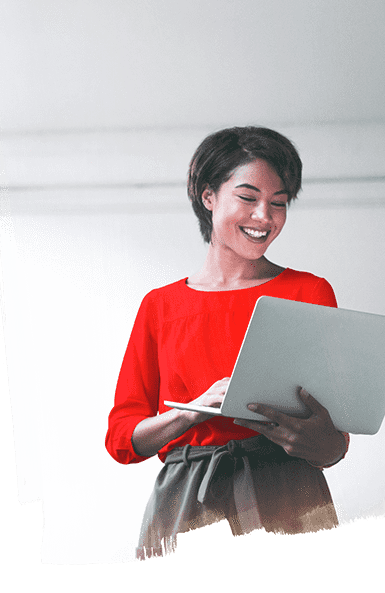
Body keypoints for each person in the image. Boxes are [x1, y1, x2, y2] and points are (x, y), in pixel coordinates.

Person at [105, 126, 350, 560]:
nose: (264, 216)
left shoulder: (309, 292)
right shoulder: (160, 306)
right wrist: (193, 410)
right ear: (208, 197)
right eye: (248, 197)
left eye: (279, 202)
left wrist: (314, 442)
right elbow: (124, 439)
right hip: (187, 499)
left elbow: (334, 445)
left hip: (290, 492)